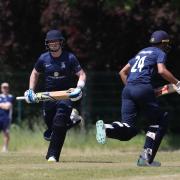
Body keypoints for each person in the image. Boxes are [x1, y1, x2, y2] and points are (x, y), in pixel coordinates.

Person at [96, 30, 180, 167]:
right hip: (142, 88)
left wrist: (133, 88)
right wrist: (177, 83)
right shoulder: (160, 53)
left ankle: (106, 128)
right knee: (160, 120)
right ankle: (145, 159)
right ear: (163, 43)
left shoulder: (142, 52)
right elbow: (162, 71)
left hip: (128, 90)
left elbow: (122, 72)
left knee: (129, 130)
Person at [24, 29, 86, 162]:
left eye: (55, 41)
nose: (53, 44)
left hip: (65, 95)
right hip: (48, 96)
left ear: (60, 42)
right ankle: (72, 120)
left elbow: (82, 74)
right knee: (52, 129)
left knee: (59, 122)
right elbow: (34, 73)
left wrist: (79, 87)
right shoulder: (43, 58)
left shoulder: (70, 57)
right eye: (50, 42)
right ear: (47, 44)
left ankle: (53, 155)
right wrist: (30, 90)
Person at [0, 82, 13, 152]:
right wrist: (3, 105)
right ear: (1, 88)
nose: (5, 89)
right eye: (4, 87)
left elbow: (8, 107)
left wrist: (1, 105)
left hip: (6, 118)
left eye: (6, 87)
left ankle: (5, 148)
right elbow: (6, 105)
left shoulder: (10, 97)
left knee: (6, 133)